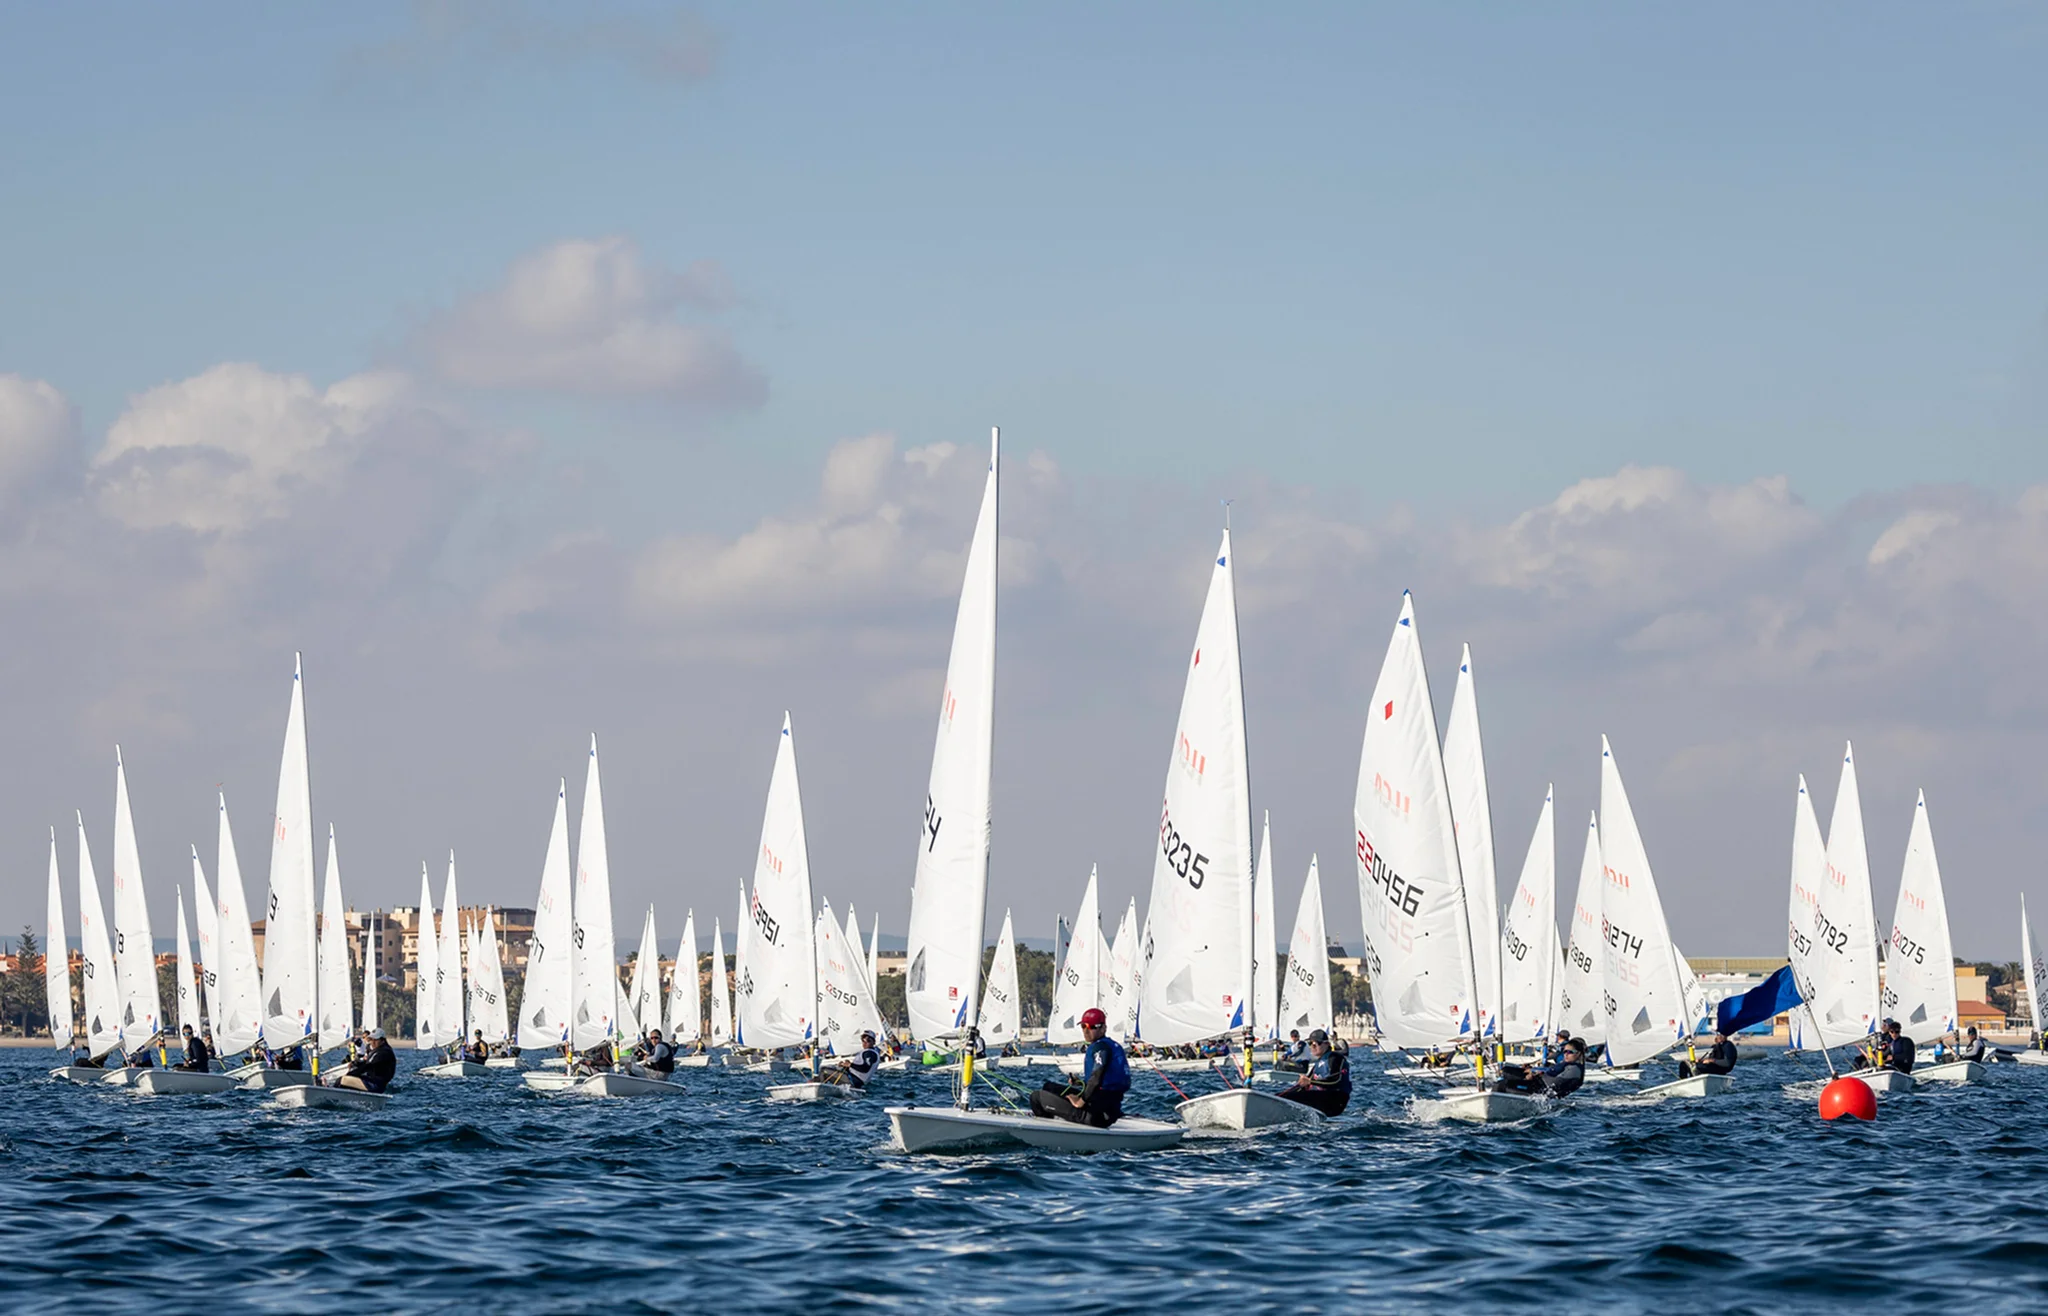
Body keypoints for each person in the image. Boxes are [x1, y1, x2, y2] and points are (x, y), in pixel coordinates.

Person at [1029, 1007, 1130, 1127]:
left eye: (1092, 1027)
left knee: (1036, 1098)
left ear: (1103, 1028)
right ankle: (1059, 1115)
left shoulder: (1101, 1048)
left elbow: (1096, 1078)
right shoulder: (1110, 1045)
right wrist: (1080, 1082)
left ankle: (1051, 1131)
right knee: (1049, 1087)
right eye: (1083, 1026)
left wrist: (1081, 1101)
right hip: (1105, 1107)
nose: (1086, 1030)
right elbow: (1102, 1082)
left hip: (1096, 1115)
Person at [1276, 1029, 1352, 1116]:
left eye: (1316, 1044)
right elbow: (1306, 1084)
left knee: (1288, 1098)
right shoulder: (1319, 1061)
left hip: (1335, 1101)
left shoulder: (1335, 1058)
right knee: (1284, 1097)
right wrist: (1279, 1096)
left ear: (1326, 1044)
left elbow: (1336, 1081)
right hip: (1322, 1099)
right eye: (1310, 1044)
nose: (1312, 1046)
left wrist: (1310, 1082)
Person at [1494, 1038, 1586, 1098]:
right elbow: (1554, 1070)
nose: (1566, 1054)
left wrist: (1534, 1072)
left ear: (1578, 1054)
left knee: (1502, 1085)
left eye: (1570, 1052)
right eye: (1565, 1051)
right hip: (1538, 1083)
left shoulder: (1575, 1070)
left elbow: (1553, 1074)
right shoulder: (1569, 1065)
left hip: (1539, 1089)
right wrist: (1534, 1069)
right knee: (1505, 1071)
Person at [335, 1028, 396, 1094]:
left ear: (382, 1040)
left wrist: (350, 1073)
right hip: (373, 1082)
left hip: (374, 1085)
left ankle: (332, 1096)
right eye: (372, 1039)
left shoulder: (384, 1052)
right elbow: (367, 1063)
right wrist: (355, 1064)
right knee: (348, 1079)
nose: (373, 1042)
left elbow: (367, 1067)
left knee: (341, 1080)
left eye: (375, 1040)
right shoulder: (380, 1050)